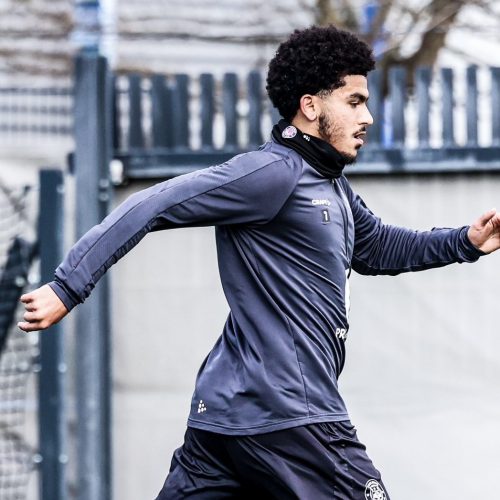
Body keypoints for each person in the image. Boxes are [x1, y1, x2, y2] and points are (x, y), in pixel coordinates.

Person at [18, 25, 500, 500]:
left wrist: (466, 241)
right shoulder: (271, 175)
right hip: (291, 415)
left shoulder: (330, 185)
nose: (368, 116)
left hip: (225, 421)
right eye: (354, 102)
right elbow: (155, 203)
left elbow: (376, 248)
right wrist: (67, 287)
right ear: (310, 107)